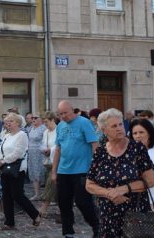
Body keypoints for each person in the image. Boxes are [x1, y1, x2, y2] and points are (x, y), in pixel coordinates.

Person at [86, 109, 154, 238]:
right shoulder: (100, 152)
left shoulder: (137, 148)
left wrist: (122, 189)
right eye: (114, 126)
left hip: (135, 214)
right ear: (104, 130)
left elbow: (150, 181)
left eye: (120, 124)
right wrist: (109, 193)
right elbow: (89, 185)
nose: (119, 128)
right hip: (108, 216)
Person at [52, 100, 99, 238]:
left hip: (82, 170)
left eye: (65, 113)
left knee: (83, 202)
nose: (63, 116)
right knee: (63, 203)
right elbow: (58, 149)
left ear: (72, 110)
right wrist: (54, 171)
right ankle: (68, 232)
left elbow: (94, 145)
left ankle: (96, 225)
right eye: (60, 114)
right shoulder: (60, 126)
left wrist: (95, 167)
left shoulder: (84, 123)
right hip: (63, 170)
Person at [0, 112, 40, 230]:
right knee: (6, 195)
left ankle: (35, 214)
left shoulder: (22, 135)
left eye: (11, 121)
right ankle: (9, 222)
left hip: (17, 168)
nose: (8, 124)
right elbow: (1, 149)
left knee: (17, 195)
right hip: (5, 169)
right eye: (7, 122)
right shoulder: (6, 135)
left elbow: (18, 152)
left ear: (18, 123)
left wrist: (4, 160)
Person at [37, 111, 58, 217]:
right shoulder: (46, 132)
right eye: (44, 122)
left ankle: (44, 207)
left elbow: (59, 145)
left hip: (57, 162)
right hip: (47, 162)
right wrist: (44, 149)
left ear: (52, 120)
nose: (45, 124)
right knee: (54, 185)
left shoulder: (59, 130)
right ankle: (62, 209)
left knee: (50, 183)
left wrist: (51, 150)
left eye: (46, 122)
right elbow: (43, 144)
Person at [26, 114, 46, 200]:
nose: (33, 119)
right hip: (31, 153)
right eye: (32, 118)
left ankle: (45, 194)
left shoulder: (44, 128)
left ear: (41, 119)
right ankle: (37, 194)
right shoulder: (30, 128)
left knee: (41, 172)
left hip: (40, 154)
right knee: (33, 172)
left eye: (35, 118)